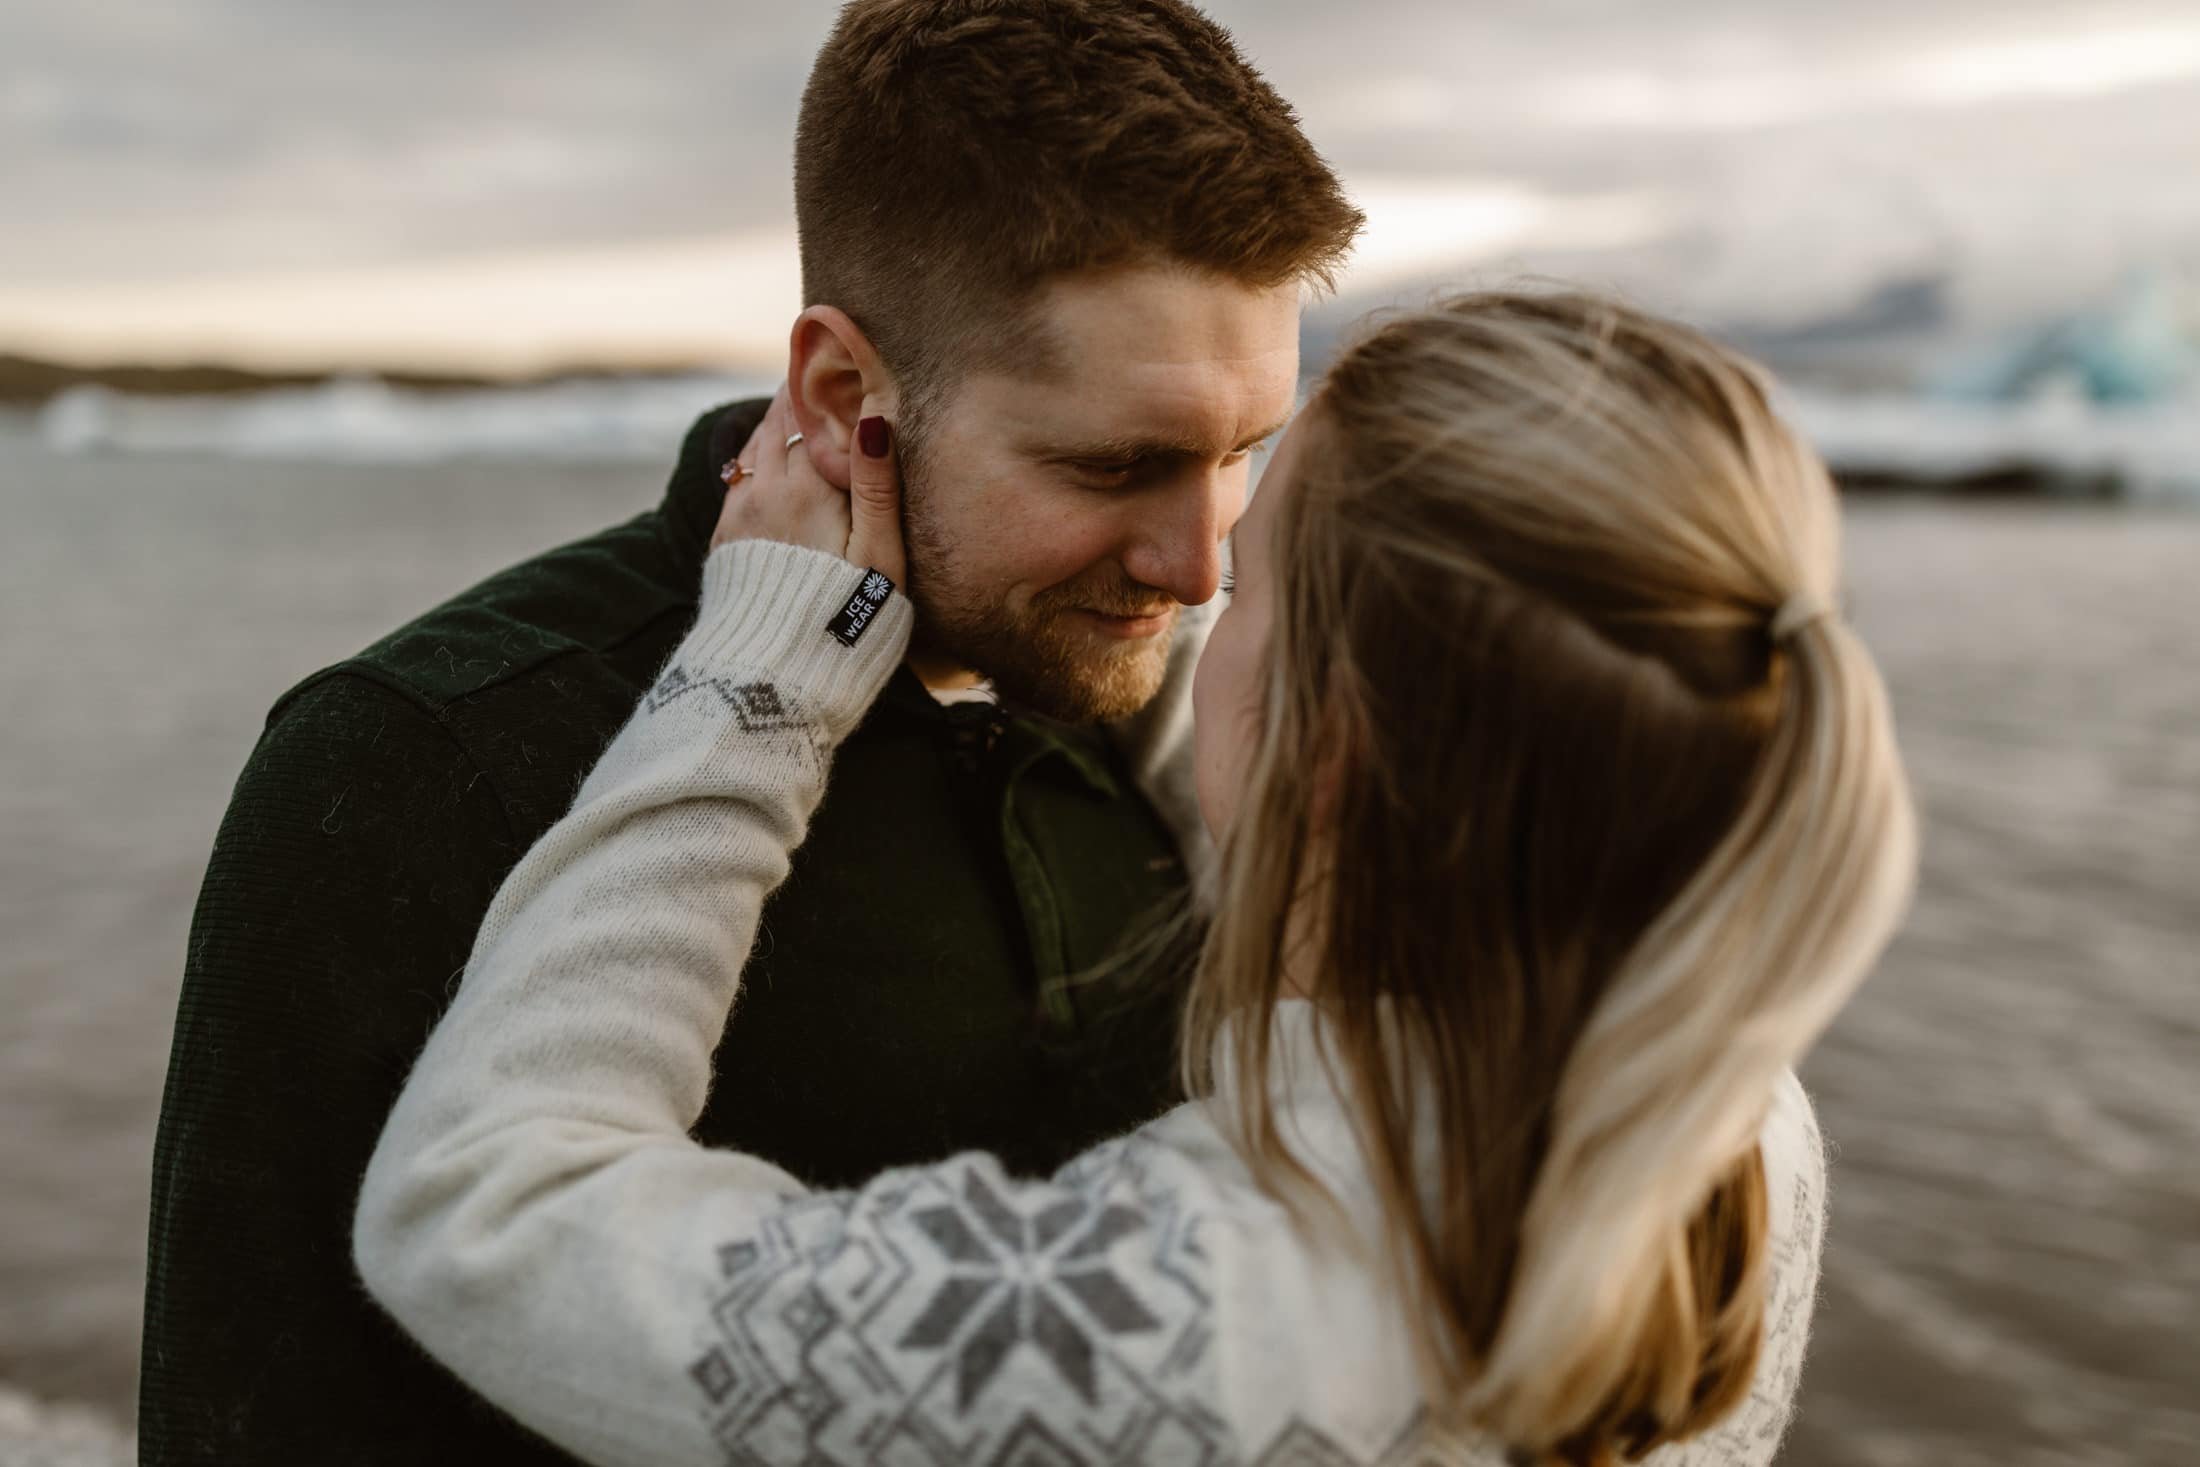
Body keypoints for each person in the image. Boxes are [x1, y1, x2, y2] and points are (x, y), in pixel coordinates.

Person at [353, 291, 1919, 1467]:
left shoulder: (1169, 1323)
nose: (1186, 580)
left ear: (1331, 746)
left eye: (1250, 576)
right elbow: (1320, 807)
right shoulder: (1730, 1115)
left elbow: (482, 1201)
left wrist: (767, 668)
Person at [138, 3, 1363, 1461]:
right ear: (848, 399)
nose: (1200, 565)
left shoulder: (1169, 700)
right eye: (1116, 463)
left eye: (1242, 454)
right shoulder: (421, 760)